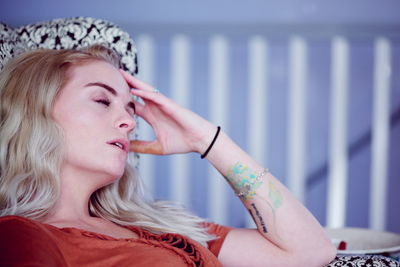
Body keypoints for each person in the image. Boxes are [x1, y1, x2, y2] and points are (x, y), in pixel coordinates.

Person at [0, 45, 336, 266]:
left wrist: (206, 139)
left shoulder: (153, 224)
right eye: (102, 100)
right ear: (35, 111)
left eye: (131, 108)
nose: (130, 121)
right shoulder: (21, 235)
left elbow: (311, 250)